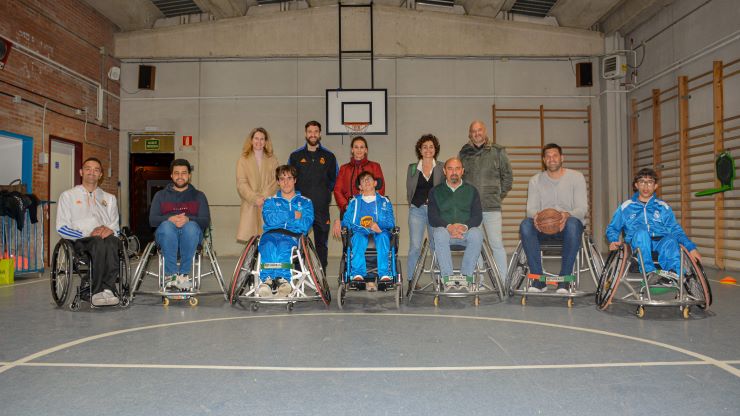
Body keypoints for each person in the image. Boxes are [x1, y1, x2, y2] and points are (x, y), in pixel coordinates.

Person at [606, 167, 701, 285]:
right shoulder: (626, 207)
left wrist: (691, 248)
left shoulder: (663, 207)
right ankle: (650, 272)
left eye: (650, 182)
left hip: (660, 242)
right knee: (641, 232)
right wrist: (613, 240)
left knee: (671, 240)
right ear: (636, 185)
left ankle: (675, 274)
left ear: (655, 186)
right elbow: (613, 228)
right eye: (642, 182)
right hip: (638, 244)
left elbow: (676, 230)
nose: (646, 187)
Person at [519, 143, 587, 294]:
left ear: (562, 158)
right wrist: (537, 217)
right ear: (544, 160)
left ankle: (564, 281)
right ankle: (538, 280)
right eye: (548, 157)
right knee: (525, 225)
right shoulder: (535, 180)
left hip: (567, 228)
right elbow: (530, 209)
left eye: (555, 155)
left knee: (573, 224)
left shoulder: (576, 177)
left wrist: (566, 215)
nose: (552, 159)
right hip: (543, 228)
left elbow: (582, 209)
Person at [56, 157, 120, 306]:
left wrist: (108, 230)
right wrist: (88, 233)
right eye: (88, 169)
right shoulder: (68, 196)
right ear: (81, 172)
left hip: (105, 238)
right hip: (80, 241)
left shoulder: (109, 198)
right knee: (98, 242)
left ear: (101, 175)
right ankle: (95, 290)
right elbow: (61, 227)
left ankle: (109, 289)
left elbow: (115, 225)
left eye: (96, 170)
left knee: (112, 241)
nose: (92, 172)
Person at [459, 120, 513, 278]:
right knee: (475, 245)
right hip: (471, 210)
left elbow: (508, 177)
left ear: (485, 131)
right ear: (470, 134)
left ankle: (503, 281)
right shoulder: (464, 153)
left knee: (496, 244)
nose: (477, 133)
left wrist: (497, 195)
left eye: (479, 130)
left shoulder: (498, 151)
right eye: (473, 131)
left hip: (492, 209)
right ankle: (479, 281)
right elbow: (459, 178)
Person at [149, 159, 210, 290]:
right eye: (176, 173)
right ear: (171, 175)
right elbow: (152, 220)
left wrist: (189, 219)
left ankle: (183, 275)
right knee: (166, 226)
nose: (180, 176)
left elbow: (205, 221)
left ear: (189, 175)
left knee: (192, 227)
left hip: (191, 237)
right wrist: (169, 218)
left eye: (184, 173)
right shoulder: (160, 195)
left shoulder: (199, 196)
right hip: (166, 236)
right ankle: (171, 276)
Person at [428, 157, 484, 292]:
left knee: (477, 233)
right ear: (444, 171)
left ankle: (466, 278)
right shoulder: (435, 191)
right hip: (445, 233)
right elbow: (432, 217)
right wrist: (449, 227)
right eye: (450, 168)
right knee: (439, 232)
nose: (454, 172)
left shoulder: (472, 190)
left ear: (462, 171)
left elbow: (478, 216)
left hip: (465, 233)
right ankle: (447, 279)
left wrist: (464, 227)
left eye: (457, 168)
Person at [257, 165, 314, 297]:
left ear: (295, 180)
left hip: (293, 236)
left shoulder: (305, 202)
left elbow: (305, 225)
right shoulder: (270, 201)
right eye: (282, 179)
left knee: (283, 245)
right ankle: (267, 280)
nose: (286, 182)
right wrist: (293, 214)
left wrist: (281, 216)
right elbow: (270, 220)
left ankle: (283, 280)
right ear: (278, 181)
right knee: (268, 245)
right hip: (271, 233)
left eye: (289, 178)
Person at [288, 121, 338, 271]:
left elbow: (333, 180)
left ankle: (320, 276)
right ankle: (297, 275)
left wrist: (322, 194)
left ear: (320, 134)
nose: (313, 134)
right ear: (305, 134)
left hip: (321, 209)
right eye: (310, 131)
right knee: (298, 242)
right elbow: (289, 180)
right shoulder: (295, 156)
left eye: (316, 131)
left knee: (321, 244)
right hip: (300, 209)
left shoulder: (329, 157)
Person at [341, 171, 395, 292]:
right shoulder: (354, 202)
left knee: (383, 237)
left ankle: (384, 274)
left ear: (375, 183)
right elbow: (346, 221)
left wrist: (379, 226)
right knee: (358, 238)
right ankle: (358, 274)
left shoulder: (384, 201)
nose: (366, 181)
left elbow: (391, 223)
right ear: (360, 187)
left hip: (380, 231)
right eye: (363, 180)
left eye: (369, 178)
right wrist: (367, 227)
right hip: (360, 232)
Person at [406, 134, 444, 281]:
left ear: (435, 149)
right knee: (415, 246)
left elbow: (444, 189)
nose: (428, 149)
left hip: (435, 211)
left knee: (436, 245)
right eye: (425, 147)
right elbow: (409, 190)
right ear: (420, 150)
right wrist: (415, 204)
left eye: (431, 147)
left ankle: (438, 280)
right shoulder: (412, 168)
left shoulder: (441, 167)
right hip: (417, 210)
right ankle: (412, 280)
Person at [332, 136, 385, 239]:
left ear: (366, 150)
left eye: (362, 147)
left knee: (371, 243)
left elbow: (380, 188)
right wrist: (346, 206)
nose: (359, 150)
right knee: (349, 245)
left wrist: (373, 205)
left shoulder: (375, 166)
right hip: (349, 212)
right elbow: (337, 190)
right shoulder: (344, 168)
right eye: (356, 147)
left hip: (371, 211)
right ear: (352, 150)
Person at [236, 127, 279, 242]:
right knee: (251, 241)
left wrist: (264, 197)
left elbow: (276, 181)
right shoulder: (243, 160)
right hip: (250, 204)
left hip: (267, 204)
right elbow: (241, 183)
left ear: (265, 142)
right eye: (256, 138)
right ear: (251, 140)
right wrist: (255, 198)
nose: (259, 142)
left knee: (267, 240)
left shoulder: (273, 159)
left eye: (262, 139)